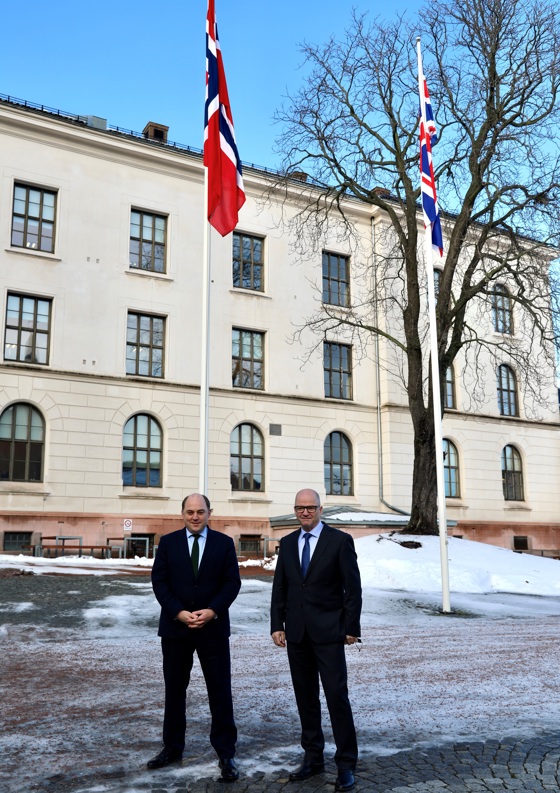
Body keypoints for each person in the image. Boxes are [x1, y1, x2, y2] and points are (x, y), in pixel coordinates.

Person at [270, 488, 362, 792]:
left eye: (310, 507)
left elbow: (353, 587)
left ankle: (346, 763)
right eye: (300, 508)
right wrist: (276, 624)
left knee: (336, 696)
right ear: (295, 511)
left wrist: (351, 627)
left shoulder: (339, 541)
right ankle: (313, 757)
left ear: (321, 509)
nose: (305, 512)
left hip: (329, 632)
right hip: (296, 633)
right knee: (305, 698)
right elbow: (280, 587)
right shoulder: (287, 543)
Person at [148, 493, 241, 782]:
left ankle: (226, 753)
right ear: (182, 514)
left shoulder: (224, 543)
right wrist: (177, 612)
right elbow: (159, 581)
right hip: (176, 629)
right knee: (174, 690)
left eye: (200, 511)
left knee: (220, 691)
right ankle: (172, 747)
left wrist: (213, 610)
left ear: (209, 513)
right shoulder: (169, 543)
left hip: (212, 629)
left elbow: (232, 582)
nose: (195, 517)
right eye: (190, 512)